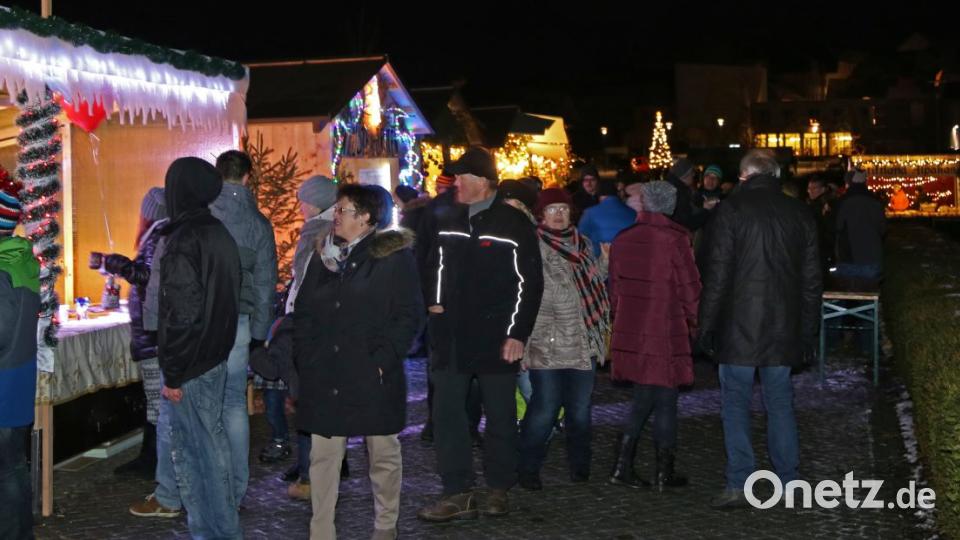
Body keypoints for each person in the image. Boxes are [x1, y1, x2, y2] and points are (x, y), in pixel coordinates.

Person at [418, 147, 544, 521]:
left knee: (501, 415)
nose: (455, 182)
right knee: (448, 414)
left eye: (462, 176)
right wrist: (433, 300)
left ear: (483, 181)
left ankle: (498, 488)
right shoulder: (441, 215)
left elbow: (529, 282)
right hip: (450, 335)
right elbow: (426, 261)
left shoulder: (511, 222)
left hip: (497, 336)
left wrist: (517, 333)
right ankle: (457, 490)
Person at [294, 184, 424, 540]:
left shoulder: (392, 258)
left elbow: (408, 315)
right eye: (336, 210)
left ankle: (385, 527)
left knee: (382, 454)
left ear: (366, 217)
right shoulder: (324, 257)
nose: (335, 216)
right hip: (326, 372)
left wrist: (382, 360)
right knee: (323, 458)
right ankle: (321, 531)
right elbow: (304, 312)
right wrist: (306, 356)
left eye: (343, 210)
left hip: (371, 373)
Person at [697, 150, 822, 509]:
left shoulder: (730, 211)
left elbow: (716, 275)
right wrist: (808, 331)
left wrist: (706, 326)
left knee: (735, 404)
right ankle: (788, 482)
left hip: (737, 327)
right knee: (780, 403)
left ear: (744, 177)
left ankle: (740, 482)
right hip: (783, 326)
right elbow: (812, 280)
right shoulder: (800, 213)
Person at [157, 157, 242, 537]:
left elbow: (182, 312)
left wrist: (173, 372)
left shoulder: (185, 238)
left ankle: (215, 533)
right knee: (211, 451)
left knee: (198, 458)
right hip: (212, 358)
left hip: (192, 365)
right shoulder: (217, 232)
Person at [607, 181, 700, 491]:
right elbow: (690, 288)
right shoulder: (675, 239)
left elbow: (615, 290)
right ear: (670, 205)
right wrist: (698, 321)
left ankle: (625, 467)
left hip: (633, 328)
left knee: (649, 397)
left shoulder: (623, 239)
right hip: (665, 328)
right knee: (664, 400)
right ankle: (661, 473)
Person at [254, 175, 339, 502]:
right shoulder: (326, 229)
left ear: (315, 201)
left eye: (303, 199)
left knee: (309, 402)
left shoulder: (320, 232)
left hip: (310, 328)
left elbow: (308, 283)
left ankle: (311, 476)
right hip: (313, 326)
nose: (299, 204)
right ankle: (316, 470)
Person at [518, 187, 609, 490]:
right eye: (552, 209)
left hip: (583, 342)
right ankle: (527, 468)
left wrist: (605, 264)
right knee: (544, 408)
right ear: (540, 214)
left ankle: (580, 466)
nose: (558, 215)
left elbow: (593, 282)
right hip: (547, 342)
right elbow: (525, 295)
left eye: (564, 209)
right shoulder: (532, 246)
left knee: (580, 410)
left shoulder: (583, 244)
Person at [211, 150, 278, 508]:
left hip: (206, 322)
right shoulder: (258, 222)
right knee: (235, 404)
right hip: (240, 319)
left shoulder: (204, 214)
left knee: (207, 402)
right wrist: (259, 333)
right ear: (248, 177)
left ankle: (212, 483)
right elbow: (267, 282)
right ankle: (236, 488)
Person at [101, 188, 167, 479]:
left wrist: (120, 265)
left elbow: (147, 277)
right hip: (154, 336)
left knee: (156, 401)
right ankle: (150, 457)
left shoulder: (157, 237)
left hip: (153, 338)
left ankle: (152, 462)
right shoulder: (161, 234)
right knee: (155, 399)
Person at [0, 171, 41, 540]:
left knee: (7, 471)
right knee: (12, 467)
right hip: (15, 380)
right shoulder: (20, 260)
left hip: (2, 384)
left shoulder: (1, 270)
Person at [833, 169, 886, 289]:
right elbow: (882, 229)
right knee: (869, 298)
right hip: (872, 259)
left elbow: (836, 228)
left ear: (848, 183)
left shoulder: (842, 202)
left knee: (850, 300)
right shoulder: (875, 202)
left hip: (848, 259)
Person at [578, 179, 636, 258]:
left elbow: (581, 237)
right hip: (627, 259)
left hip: (601, 261)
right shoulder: (633, 212)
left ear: (600, 196)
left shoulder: (590, 213)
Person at [666, 158, 711, 232]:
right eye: (692, 172)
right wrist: (706, 210)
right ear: (685, 175)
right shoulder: (679, 193)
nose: (694, 175)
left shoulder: (682, 189)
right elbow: (686, 224)